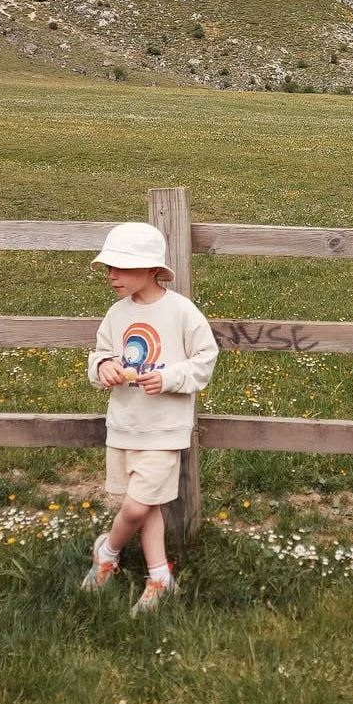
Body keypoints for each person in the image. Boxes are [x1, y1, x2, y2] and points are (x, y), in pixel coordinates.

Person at [81, 221, 219, 612]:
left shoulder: (181, 312)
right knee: (150, 505)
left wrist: (169, 378)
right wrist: (104, 367)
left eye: (121, 268)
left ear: (151, 269)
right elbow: (100, 355)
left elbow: (205, 359)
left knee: (136, 507)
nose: (112, 276)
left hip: (164, 430)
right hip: (125, 426)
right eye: (109, 268)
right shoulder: (116, 314)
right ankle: (160, 577)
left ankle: (107, 552)